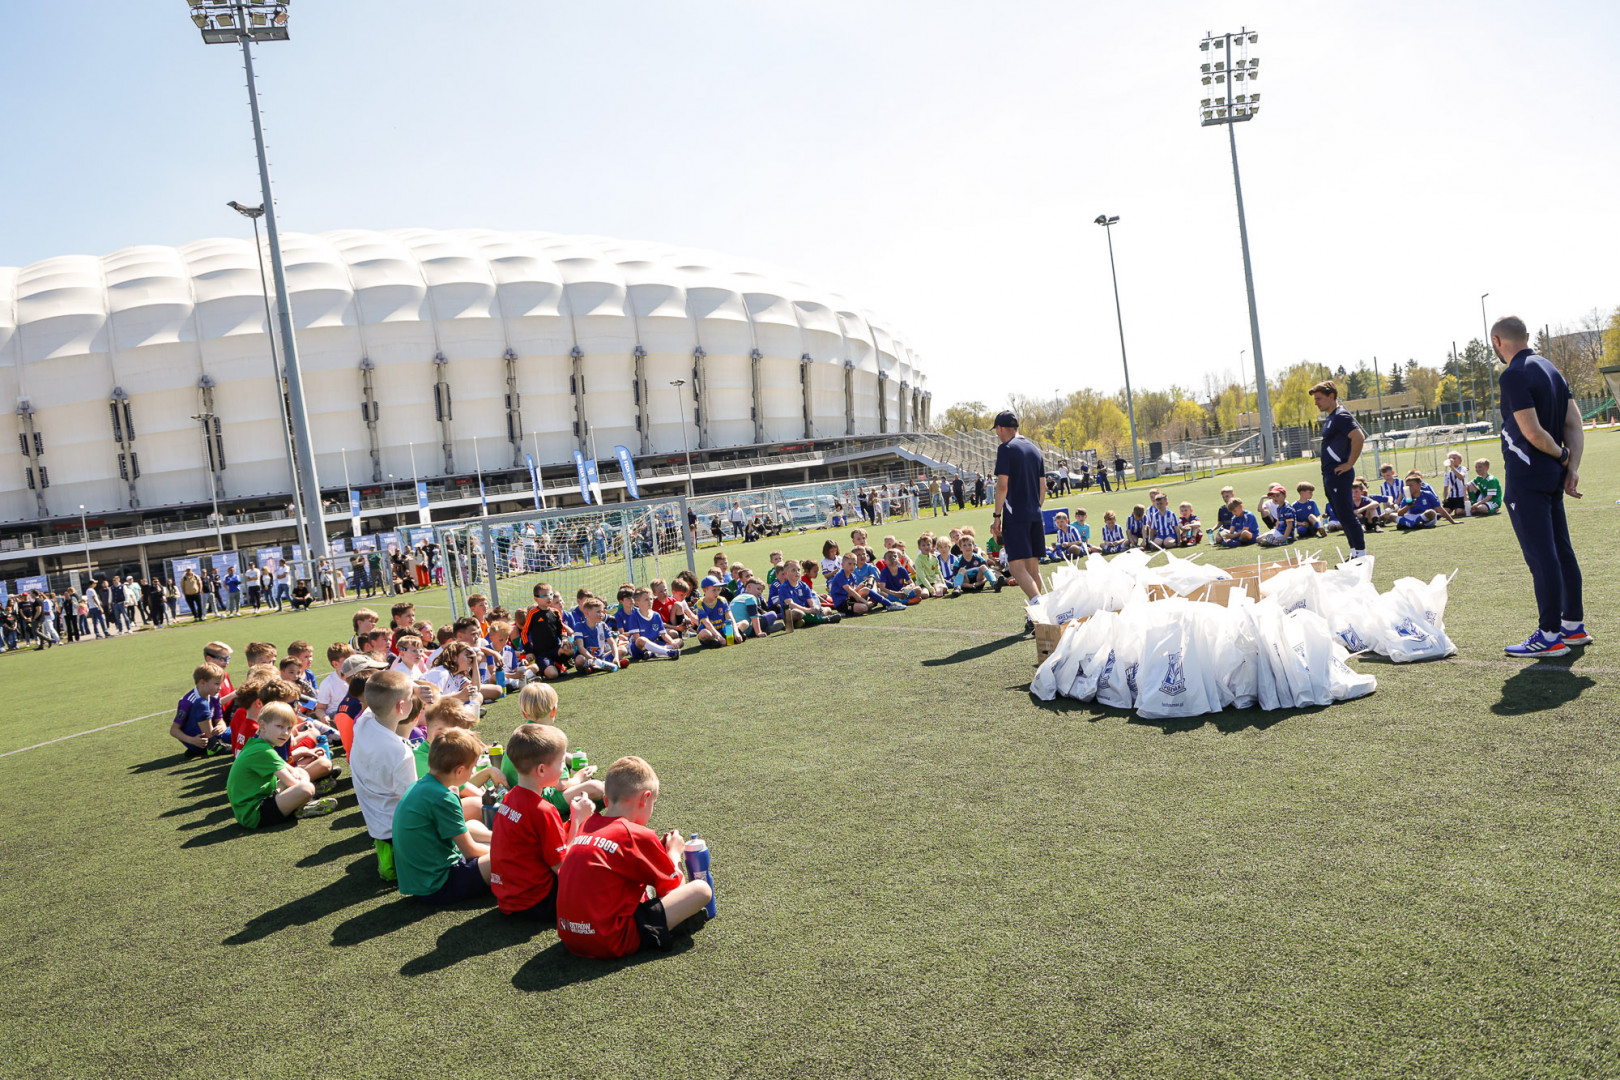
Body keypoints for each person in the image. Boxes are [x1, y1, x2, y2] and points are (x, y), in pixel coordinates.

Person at [1491, 315, 1587, 656]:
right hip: (1551, 475)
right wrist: (1571, 466)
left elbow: (1531, 431)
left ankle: (1549, 634)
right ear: (1528, 336)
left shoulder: (1513, 374)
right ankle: (1572, 626)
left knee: (1542, 556)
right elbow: (1574, 423)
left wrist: (1562, 456)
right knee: (1561, 550)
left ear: (1497, 342)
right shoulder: (1551, 368)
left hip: (1528, 476)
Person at [555, 756, 712, 959]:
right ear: (645, 798)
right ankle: (665, 930)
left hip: (570, 935)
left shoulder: (587, 824)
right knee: (701, 890)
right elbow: (674, 889)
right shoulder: (636, 834)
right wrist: (674, 853)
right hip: (609, 940)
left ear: (605, 800)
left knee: (639, 885)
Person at [490, 722, 599, 921]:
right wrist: (578, 819)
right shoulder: (542, 810)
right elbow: (563, 868)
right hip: (538, 902)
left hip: (508, 899)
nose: (564, 768)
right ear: (541, 770)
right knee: (596, 857)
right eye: (561, 763)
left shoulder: (509, 797)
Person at [392, 727, 495, 904]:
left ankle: (502, 842)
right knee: (508, 858)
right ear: (460, 771)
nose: (472, 773)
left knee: (471, 826)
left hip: (420, 881)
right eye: (472, 768)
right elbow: (470, 852)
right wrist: (505, 851)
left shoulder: (421, 784)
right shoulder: (442, 797)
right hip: (438, 885)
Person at [226, 703, 338, 828]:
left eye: (289, 728)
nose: (285, 733)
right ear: (262, 725)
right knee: (306, 789)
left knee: (302, 773)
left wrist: (298, 772)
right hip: (254, 814)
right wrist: (303, 784)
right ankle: (302, 804)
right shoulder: (264, 751)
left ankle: (299, 804)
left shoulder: (257, 743)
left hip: (257, 802)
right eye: (279, 726)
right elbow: (293, 783)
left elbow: (289, 769)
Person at [989, 410, 1045, 629]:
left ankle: (1039, 606)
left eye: (997, 430)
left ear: (1001, 428)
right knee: (1033, 568)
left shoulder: (1006, 448)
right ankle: (1034, 618)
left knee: (1015, 566)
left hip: (1016, 515)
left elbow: (1002, 486)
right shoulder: (1034, 449)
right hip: (1035, 514)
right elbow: (1043, 487)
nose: (997, 434)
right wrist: (1035, 508)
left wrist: (997, 516)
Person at [171, 663, 229, 756]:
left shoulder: (215, 696)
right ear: (202, 682)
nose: (220, 687)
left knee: (236, 734)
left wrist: (222, 725)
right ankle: (213, 746)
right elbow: (174, 730)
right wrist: (192, 740)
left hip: (213, 735)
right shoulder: (187, 701)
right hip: (196, 740)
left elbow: (219, 719)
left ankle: (212, 745)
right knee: (202, 703)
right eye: (216, 684)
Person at [1441, 452, 1470, 518]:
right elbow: (1446, 487)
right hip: (1452, 497)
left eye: (1454, 458)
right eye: (1450, 459)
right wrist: (1444, 497)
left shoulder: (1463, 469)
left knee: (1458, 512)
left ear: (1460, 460)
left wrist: (1452, 467)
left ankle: (1469, 509)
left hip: (1461, 496)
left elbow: (1460, 477)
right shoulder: (1447, 473)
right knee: (1444, 512)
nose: (1452, 461)